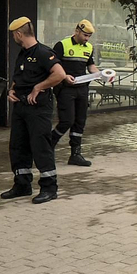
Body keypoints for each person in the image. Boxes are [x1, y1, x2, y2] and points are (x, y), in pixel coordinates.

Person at [1, 18, 66, 204]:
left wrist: (39, 87)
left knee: (40, 146)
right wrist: (12, 91)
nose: (14, 38)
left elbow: (60, 74)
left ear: (19, 34)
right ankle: (22, 184)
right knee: (18, 146)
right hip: (21, 106)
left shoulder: (43, 52)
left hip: (38, 107)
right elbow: (18, 78)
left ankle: (49, 188)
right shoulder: (23, 54)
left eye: (14, 35)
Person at [51, 19, 97, 167]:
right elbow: (53, 65)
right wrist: (64, 76)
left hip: (82, 88)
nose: (87, 39)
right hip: (65, 88)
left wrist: (102, 74)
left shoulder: (89, 47)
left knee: (80, 121)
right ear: (77, 31)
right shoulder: (62, 45)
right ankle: (48, 144)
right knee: (67, 121)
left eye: (89, 36)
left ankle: (75, 154)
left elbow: (91, 66)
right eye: (85, 35)